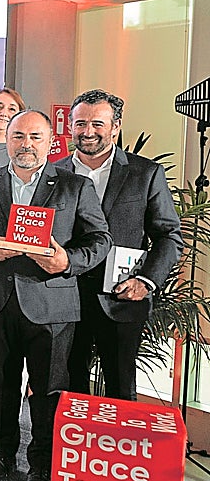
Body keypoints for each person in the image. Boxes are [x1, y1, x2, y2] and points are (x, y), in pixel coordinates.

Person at [0, 109, 111, 481]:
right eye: (18, 136)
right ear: (7, 140)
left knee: (49, 388)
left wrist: (68, 260)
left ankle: (42, 464)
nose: (26, 144)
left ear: (50, 142)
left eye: (35, 137)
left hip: (52, 305)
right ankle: (1, 454)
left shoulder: (74, 186)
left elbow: (100, 239)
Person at [57, 89, 182, 401]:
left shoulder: (145, 173)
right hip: (62, 294)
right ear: (70, 125)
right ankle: (71, 450)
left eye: (98, 124)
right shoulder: (53, 172)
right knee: (67, 386)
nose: (88, 132)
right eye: (80, 123)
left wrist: (146, 281)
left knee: (120, 386)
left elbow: (168, 235)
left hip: (123, 295)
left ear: (116, 126)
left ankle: (114, 450)